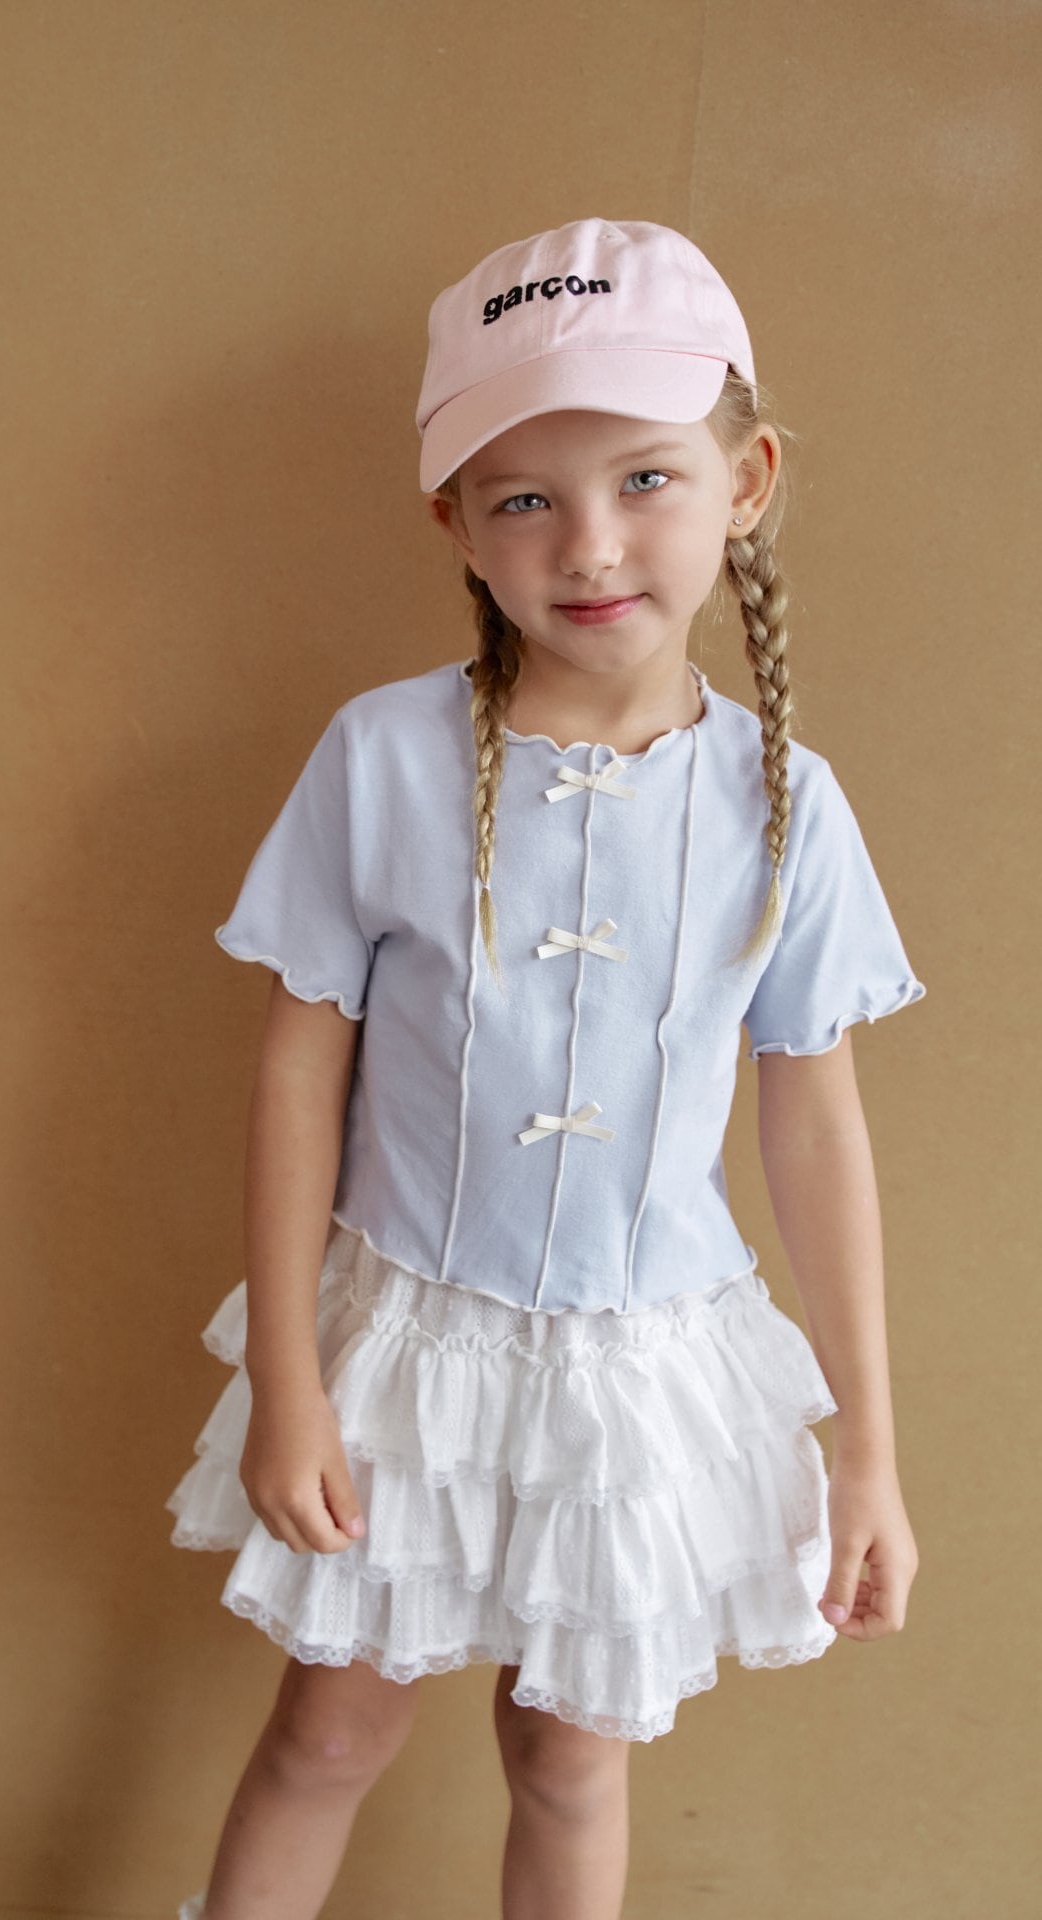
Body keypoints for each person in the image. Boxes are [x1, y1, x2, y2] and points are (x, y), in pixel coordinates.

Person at [165, 217, 927, 1920]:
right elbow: (298, 1076)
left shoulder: (788, 808)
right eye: (524, 497)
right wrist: (288, 1376)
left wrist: (867, 1450)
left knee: (571, 1760)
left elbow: (816, 1124)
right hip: (408, 1354)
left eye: (645, 477)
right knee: (326, 1735)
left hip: (638, 1379)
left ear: (745, 482)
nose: (589, 545)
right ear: (456, 520)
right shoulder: (382, 758)